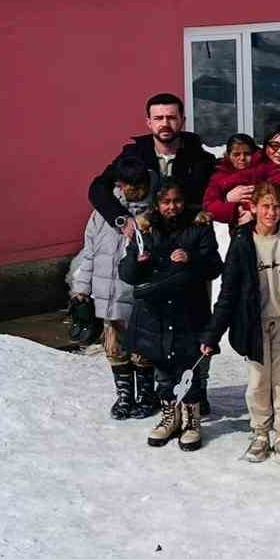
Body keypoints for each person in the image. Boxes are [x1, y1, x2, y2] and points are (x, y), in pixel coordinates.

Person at [201, 182, 280, 465]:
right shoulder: (243, 242)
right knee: (258, 382)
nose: (271, 212)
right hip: (255, 325)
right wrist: (212, 334)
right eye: (265, 206)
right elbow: (229, 292)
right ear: (253, 207)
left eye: (276, 207)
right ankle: (260, 433)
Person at [117, 180, 222, 452]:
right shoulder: (145, 229)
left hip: (189, 311)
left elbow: (214, 266)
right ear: (157, 204)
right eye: (166, 202)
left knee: (189, 369)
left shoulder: (199, 227)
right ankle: (170, 417)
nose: (172, 207)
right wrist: (137, 262)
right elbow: (127, 273)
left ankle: (192, 421)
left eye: (177, 201)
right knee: (163, 370)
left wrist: (190, 258)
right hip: (156, 314)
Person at [69, 155, 155, 420]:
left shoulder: (153, 215)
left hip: (140, 297)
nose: (134, 191)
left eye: (139, 186)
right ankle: (124, 395)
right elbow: (89, 253)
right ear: (119, 184)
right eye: (128, 185)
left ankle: (146, 395)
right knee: (115, 348)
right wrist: (81, 289)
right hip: (109, 296)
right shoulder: (103, 213)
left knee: (143, 349)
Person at [87, 92, 216, 227]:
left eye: (171, 118)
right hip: (140, 230)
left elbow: (215, 194)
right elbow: (98, 188)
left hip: (186, 230)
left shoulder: (201, 159)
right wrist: (121, 218)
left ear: (182, 121)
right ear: (149, 122)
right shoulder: (133, 154)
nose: (165, 123)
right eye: (158, 118)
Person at [201, 133, 280, 227]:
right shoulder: (220, 174)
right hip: (238, 226)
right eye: (236, 154)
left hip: (268, 225)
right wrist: (230, 203)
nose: (242, 158)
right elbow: (209, 205)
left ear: (254, 153)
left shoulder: (266, 168)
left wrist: (254, 214)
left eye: (247, 154)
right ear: (229, 155)